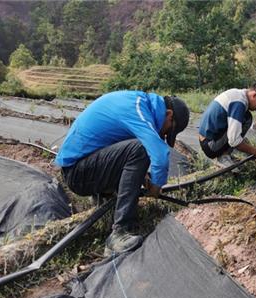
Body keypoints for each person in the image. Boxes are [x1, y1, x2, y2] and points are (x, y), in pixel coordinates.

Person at [55, 91, 190, 254]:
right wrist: (156, 185)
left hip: (84, 166)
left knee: (137, 151)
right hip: (78, 173)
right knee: (141, 149)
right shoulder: (139, 110)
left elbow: (120, 151)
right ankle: (120, 232)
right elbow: (159, 154)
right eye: (168, 131)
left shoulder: (139, 103)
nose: (164, 135)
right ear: (168, 114)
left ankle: (104, 200)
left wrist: (142, 175)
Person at [198, 81, 256, 168]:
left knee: (247, 117)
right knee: (247, 120)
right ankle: (223, 157)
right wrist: (255, 151)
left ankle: (225, 153)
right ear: (254, 95)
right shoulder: (239, 103)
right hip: (210, 145)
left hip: (210, 139)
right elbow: (234, 141)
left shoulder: (238, 94)